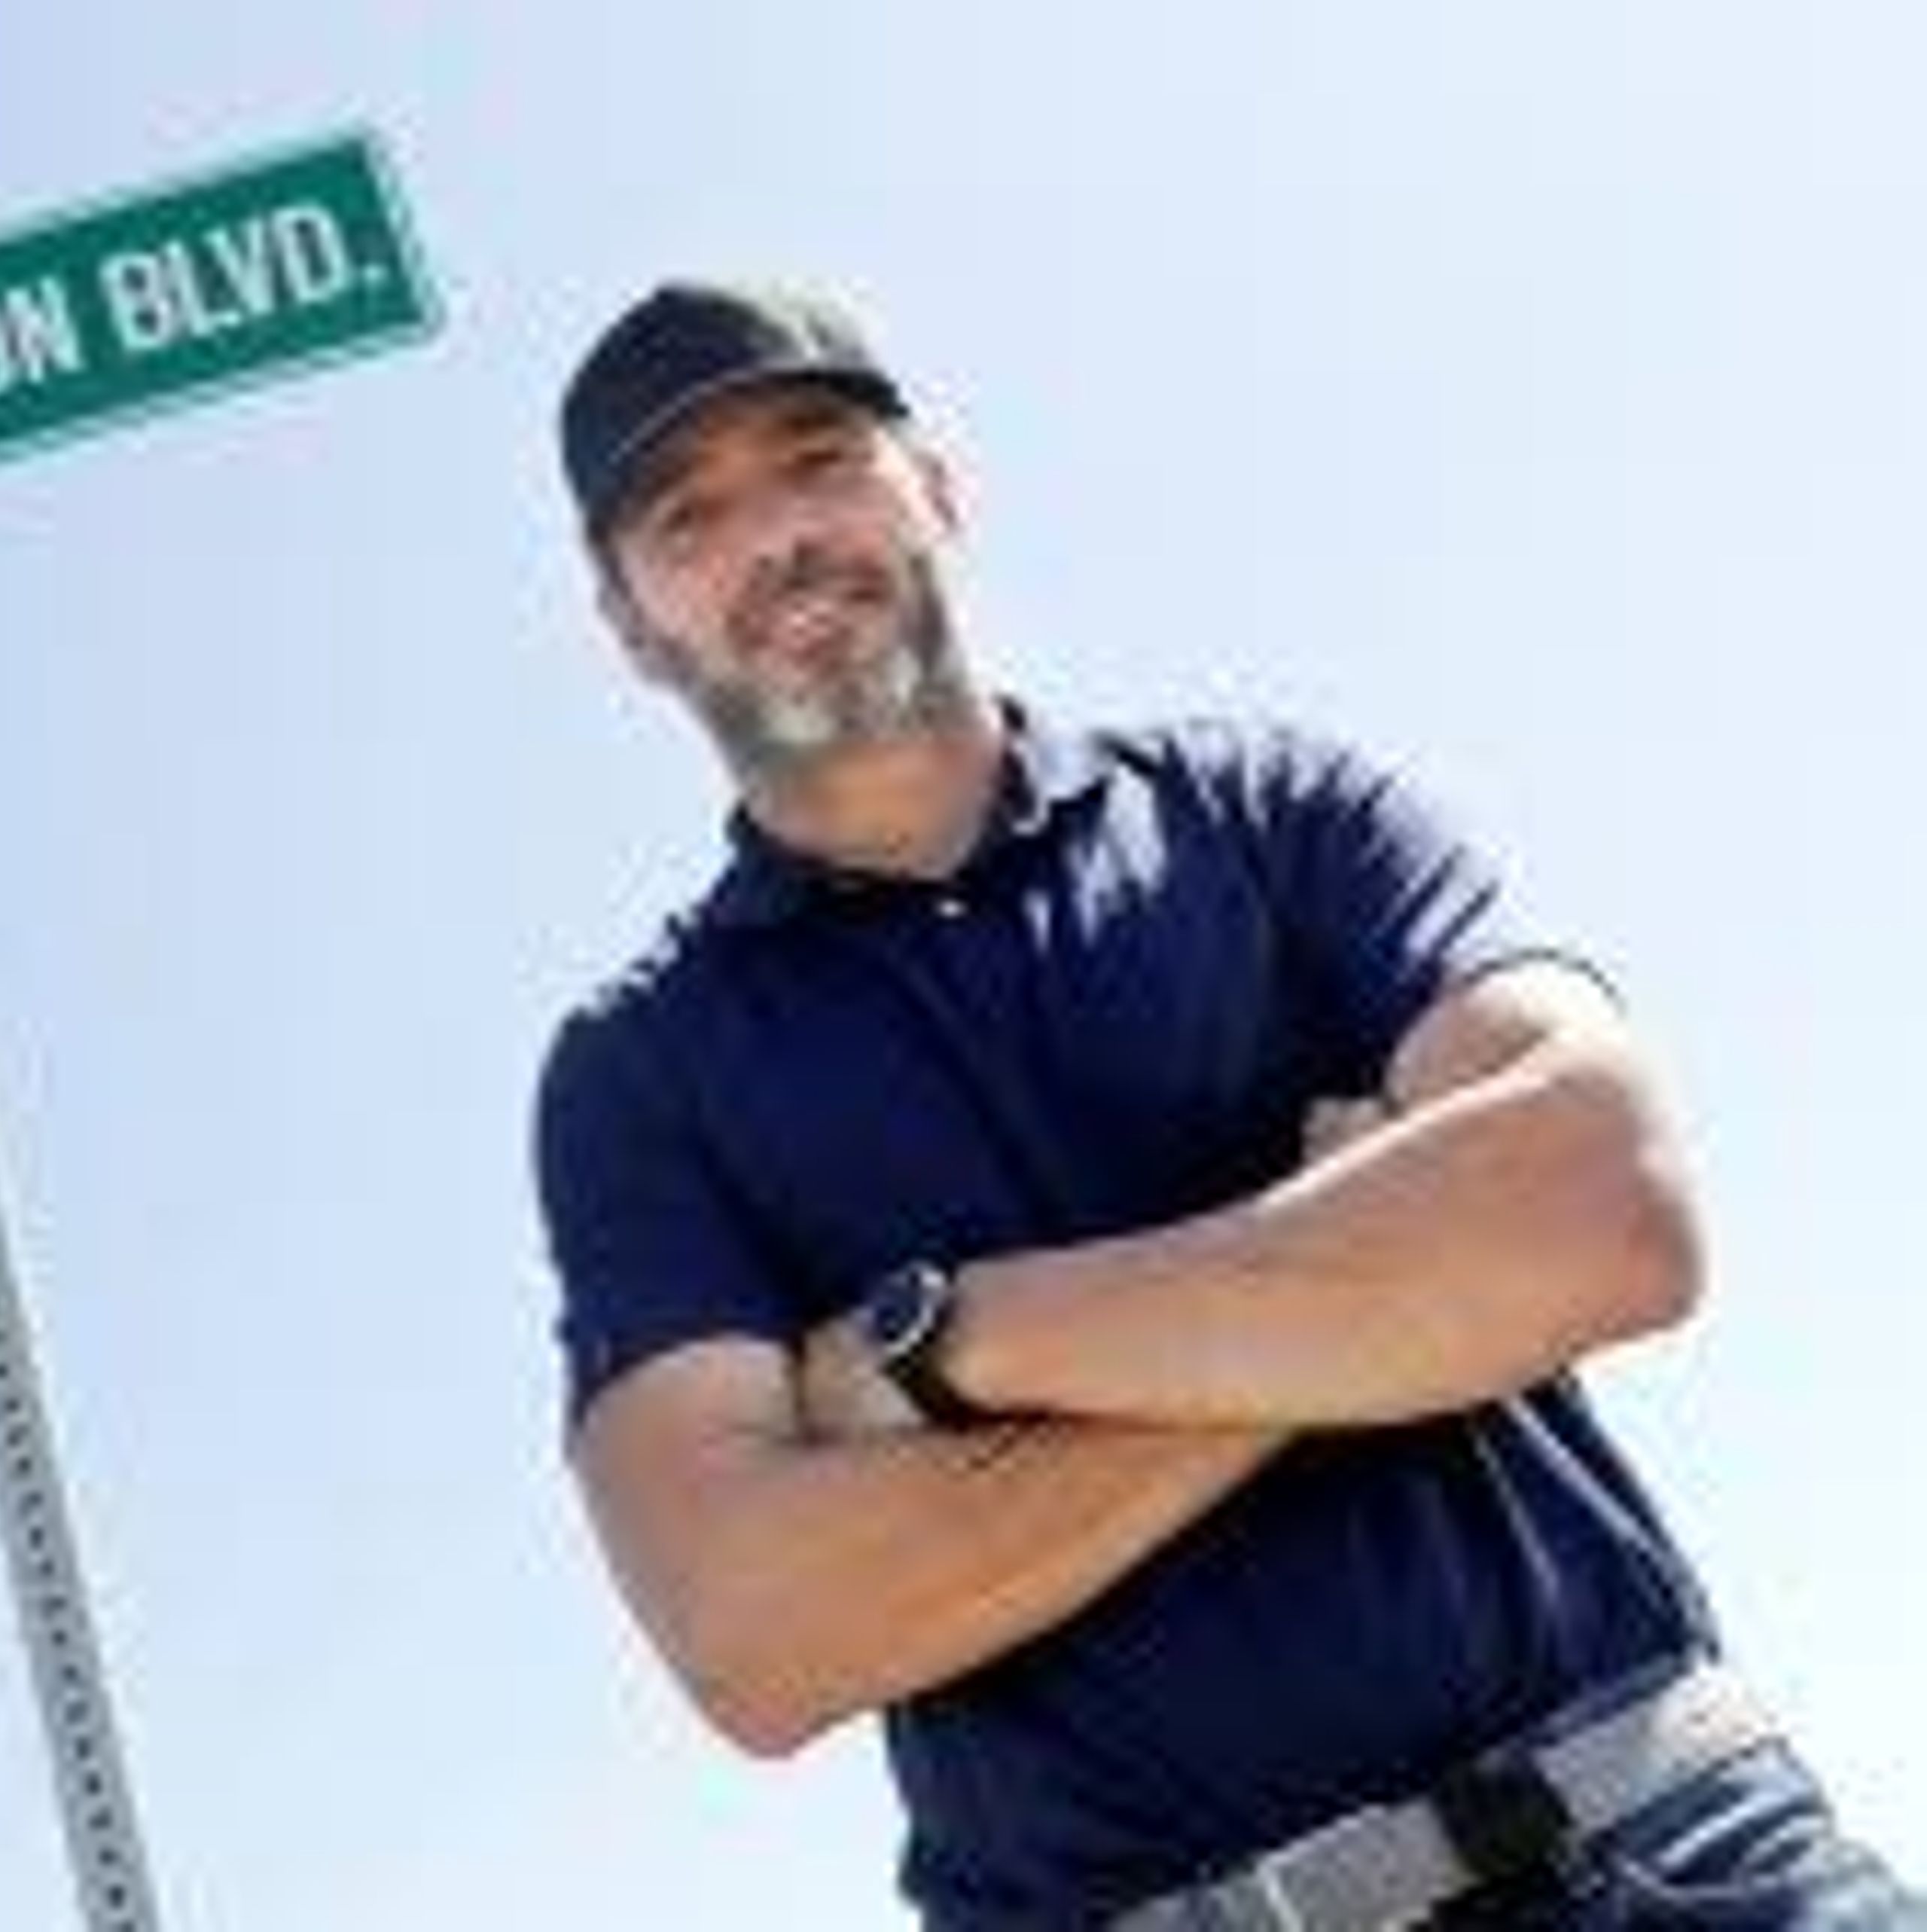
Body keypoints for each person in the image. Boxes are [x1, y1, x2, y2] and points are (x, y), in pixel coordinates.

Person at [531, 280, 1923, 1929]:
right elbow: (757, 1633)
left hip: (1679, 1851)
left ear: (936, 487)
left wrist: (947, 1340)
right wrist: (1370, 1299)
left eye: (821, 458)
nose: (776, 536)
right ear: (629, 620)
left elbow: (1604, 1212)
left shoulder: (1275, 811)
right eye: (689, 517)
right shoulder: (640, 1073)